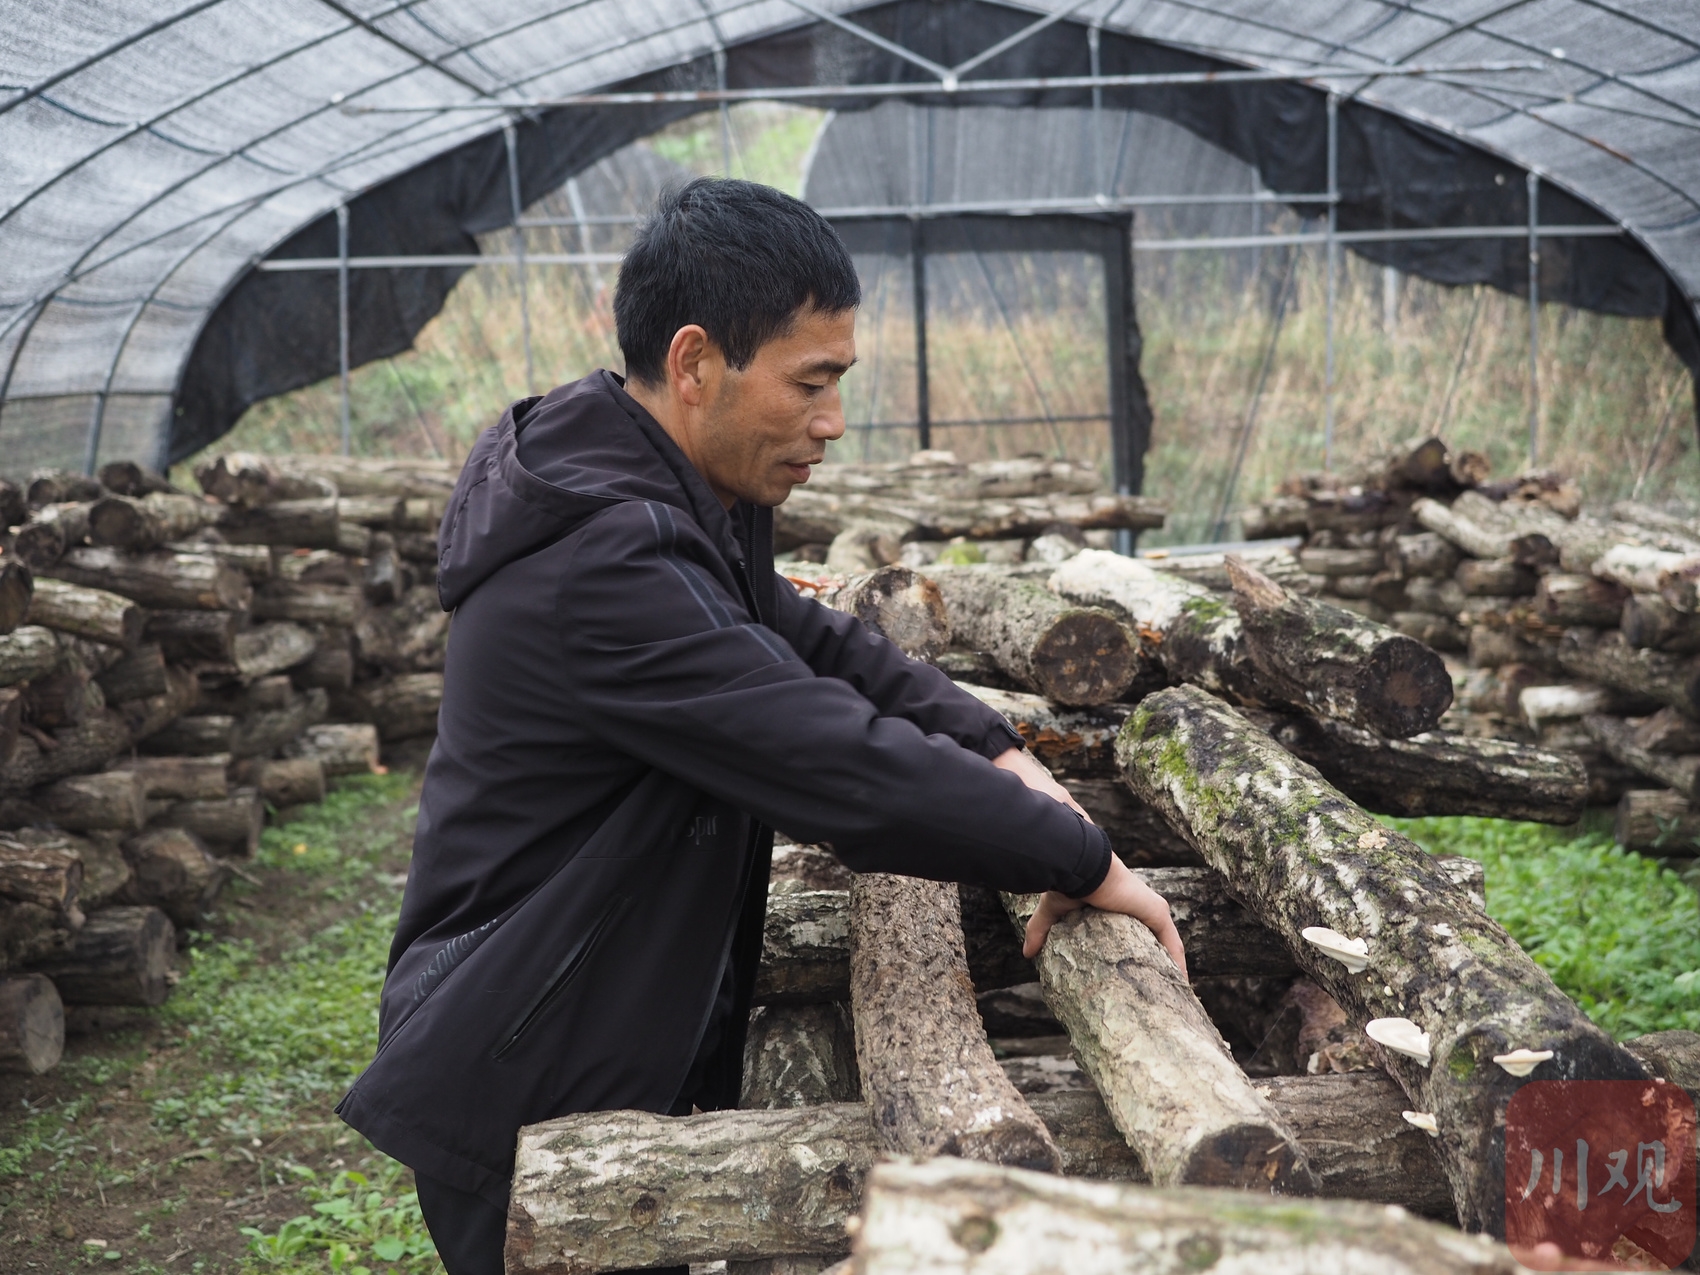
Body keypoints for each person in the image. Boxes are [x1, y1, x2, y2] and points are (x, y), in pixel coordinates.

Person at [336, 177, 1185, 1275]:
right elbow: (835, 763)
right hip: (525, 1066)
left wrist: (992, 744)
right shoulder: (604, 561)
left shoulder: (665, 487)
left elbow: (813, 637)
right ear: (694, 365)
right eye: (810, 383)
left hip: (581, 1018)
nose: (832, 422)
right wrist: (1081, 854)